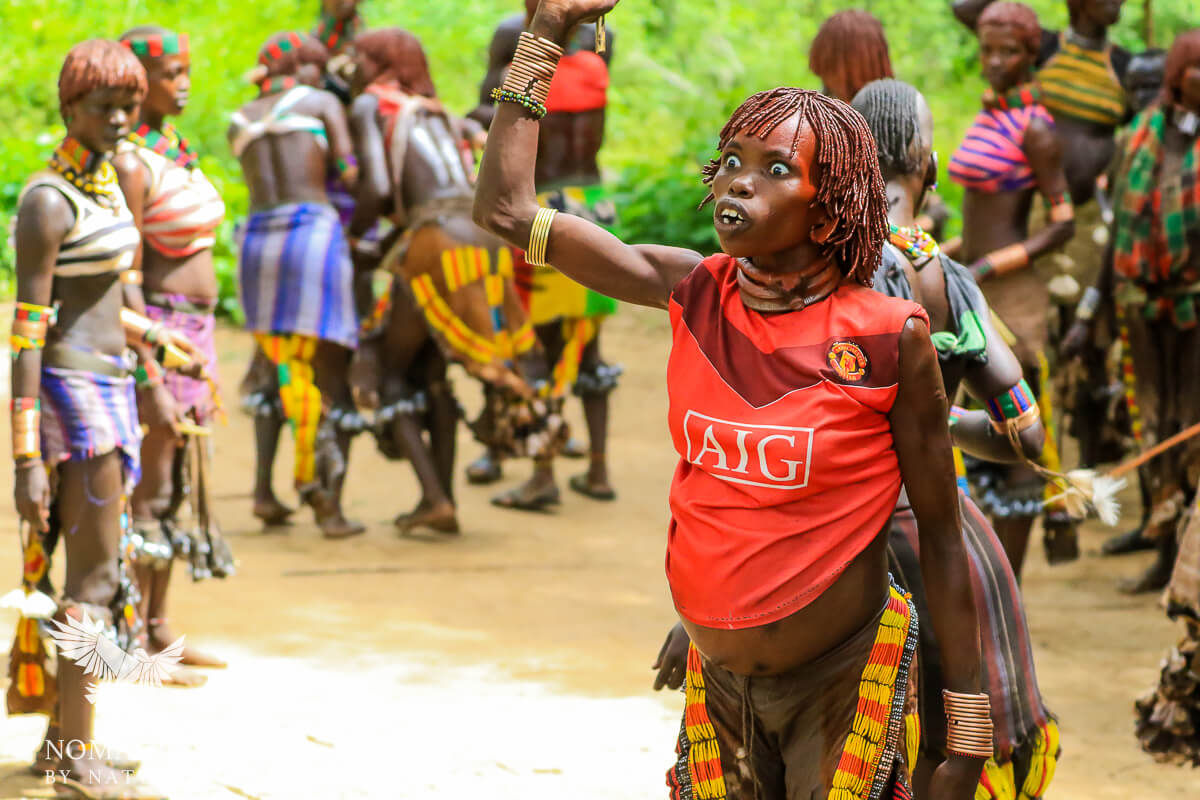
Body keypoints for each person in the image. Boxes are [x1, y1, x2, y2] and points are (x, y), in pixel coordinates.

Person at [476, 3, 989, 798]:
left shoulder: (891, 338)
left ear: (832, 202)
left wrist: (966, 740)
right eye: (731, 161)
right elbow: (507, 211)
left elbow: (945, 539)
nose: (739, 181)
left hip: (841, 686)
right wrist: (544, 33)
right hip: (717, 686)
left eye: (775, 169)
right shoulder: (689, 291)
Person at [9, 38, 163, 798]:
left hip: (111, 389)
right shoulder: (47, 200)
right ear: (68, 107)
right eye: (103, 107)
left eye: (129, 106)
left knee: (96, 573)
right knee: (93, 582)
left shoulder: (105, 181)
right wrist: (25, 458)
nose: (120, 119)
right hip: (76, 403)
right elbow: (27, 332)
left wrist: (160, 349)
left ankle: (58, 743)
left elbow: (107, 302)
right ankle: (77, 762)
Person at [346, 28, 562, 533]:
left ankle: (435, 497)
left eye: (360, 58)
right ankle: (447, 499)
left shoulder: (370, 105)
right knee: (435, 371)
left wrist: (357, 244)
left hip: (434, 240)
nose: (354, 68)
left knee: (389, 369)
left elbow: (377, 188)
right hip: (482, 238)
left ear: (380, 63)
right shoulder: (440, 111)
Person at [465, 0, 621, 510]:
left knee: (538, 347)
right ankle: (597, 468)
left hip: (546, 210)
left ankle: (542, 472)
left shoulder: (529, 54)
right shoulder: (599, 49)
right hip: (597, 205)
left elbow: (503, 118)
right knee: (587, 347)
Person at [114, 26, 232, 684]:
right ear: (137, 81)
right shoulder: (132, 162)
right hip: (159, 333)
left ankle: (160, 628)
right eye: (169, 73)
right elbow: (127, 273)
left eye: (187, 70)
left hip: (197, 334)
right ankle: (130, 638)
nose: (182, 83)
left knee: (179, 483)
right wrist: (150, 363)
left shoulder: (174, 152)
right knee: (151, 490)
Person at [1064, 30, 1200, 595]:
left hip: (1196, 309)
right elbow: (1119, 226)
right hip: (1141, 306)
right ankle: (1165, 554)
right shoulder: (1140, 138)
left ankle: (1189, 569)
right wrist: (1088, 310)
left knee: (1191, 428)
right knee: (1152, 424)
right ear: (1176, 76)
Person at [949, 2, 1077, 575]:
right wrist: (943, 251)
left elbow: (1062, 221)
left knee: (1015, 428)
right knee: (966, 422)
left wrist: (993, 264)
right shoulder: (989, 114)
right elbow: (978, 214)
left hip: (1011, 297)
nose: (995, 62)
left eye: (1009, 53)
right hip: (972, 283)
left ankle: (1006, 587)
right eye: (988, 50)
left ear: (1031, 57)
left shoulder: (1036, 128)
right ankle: (975, 577)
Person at [229, 32, 365, 538]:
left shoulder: (240, 118)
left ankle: (266, 493)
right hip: (312, 234)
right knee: (318, 374)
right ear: (304, 68)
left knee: (280, 366)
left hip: (258, 240)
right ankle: (319, 496)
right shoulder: (323, 102)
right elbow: (350, 173)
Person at [953, 0, 1131, 206]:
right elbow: (964, 8)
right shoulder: (1046, 47)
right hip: (1034, 205)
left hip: (1095, 210)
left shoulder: (1123, 66)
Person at [807, 8, 952, 244]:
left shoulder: (896, 112)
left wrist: (927, 218)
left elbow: (915, 187)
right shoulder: (822, 118)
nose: (824, 78)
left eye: (830, 66)